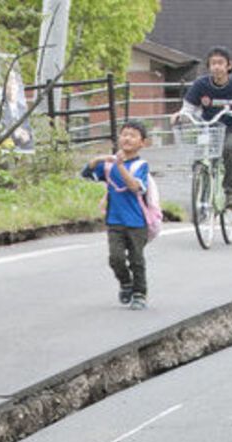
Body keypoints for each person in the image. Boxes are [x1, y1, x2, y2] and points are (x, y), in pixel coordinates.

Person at [171, 46, 232, 210]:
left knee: (230, 147)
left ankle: (231, 193)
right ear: (209, 66)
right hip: (207, 128)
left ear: (229, 66)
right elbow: (188, 108)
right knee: (199, 150)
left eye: (220, 63)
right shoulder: (200, 84)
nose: (216, 67)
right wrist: (180, 115)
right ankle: (201, 181)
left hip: (231, 129)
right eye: (213, 63)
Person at [81, 121, 152, 310]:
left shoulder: (140, 165)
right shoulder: (108, 165)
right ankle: (126, 283)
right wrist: (97, 160)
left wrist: (120, 166)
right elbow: (86, 173)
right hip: (115, 220)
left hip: (137, 221)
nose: (127, 138)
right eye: (124, 134)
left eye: (133, 135)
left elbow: (135, 187)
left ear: (142, 143)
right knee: (116, 258)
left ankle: (139, 293)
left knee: (137, 259)